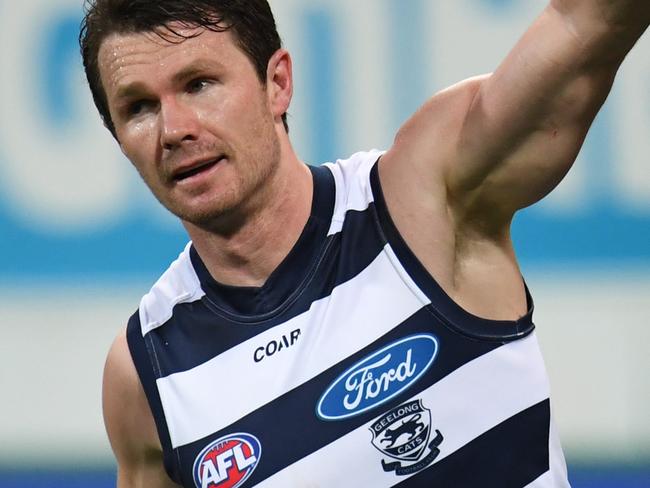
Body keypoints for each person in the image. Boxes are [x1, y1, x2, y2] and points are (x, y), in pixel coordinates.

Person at [80, 0, 648, 486]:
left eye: (199, 84)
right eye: (139, 108)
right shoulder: (146, 373)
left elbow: (587, 25)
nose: (175, 128)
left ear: (277, 82)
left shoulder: (424, 199)